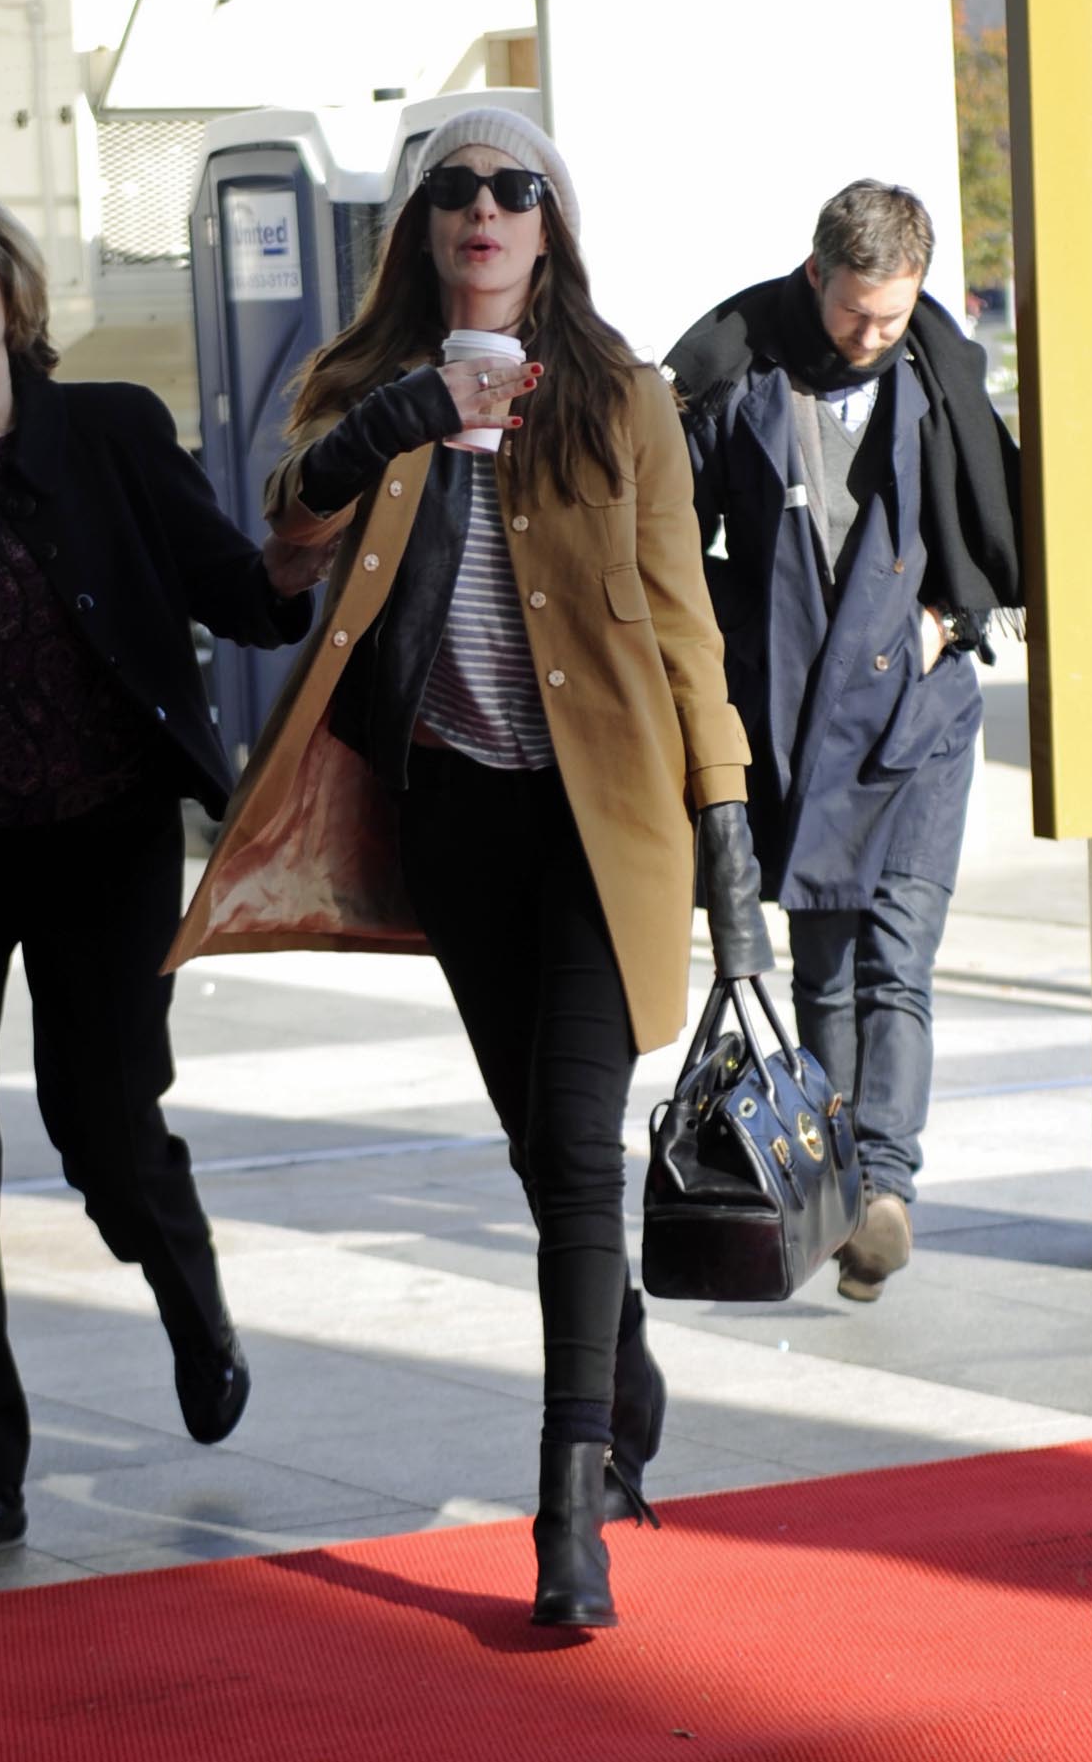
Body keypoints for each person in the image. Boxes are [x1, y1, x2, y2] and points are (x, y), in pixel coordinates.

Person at [164, 106, 773, 1629]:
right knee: (540, 1156)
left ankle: (569, 1509)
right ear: (424, 226)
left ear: (550, 223)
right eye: (455, 190)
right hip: (455, 826)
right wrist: (409, 417)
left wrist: (730, 850)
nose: (484, 210)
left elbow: (683, 626)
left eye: (514, 188)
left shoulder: (622, 394)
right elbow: (288, 541)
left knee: (575, 1157)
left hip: (603, 821)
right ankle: (616, 1352)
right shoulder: (366, 385)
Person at [0, 183, 322, 1581]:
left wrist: (309, 537)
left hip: (105, 838)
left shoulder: (109, 431)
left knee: (104, 1128)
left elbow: (243, 594)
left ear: (9, 295)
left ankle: (184, 1283)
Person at [664, 180, 1022, 1304]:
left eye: (893, 313)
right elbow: (671, 542)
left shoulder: (937, 372)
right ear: (815, 274)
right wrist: (741, 637)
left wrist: (950, 620)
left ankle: (885, 1192)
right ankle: (842, 1190)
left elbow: (998, 523)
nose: (872, 336)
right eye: (854, 313)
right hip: (800, 724)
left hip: (921, 718)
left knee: (896, 966)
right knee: (822, 976)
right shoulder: (740, 379)